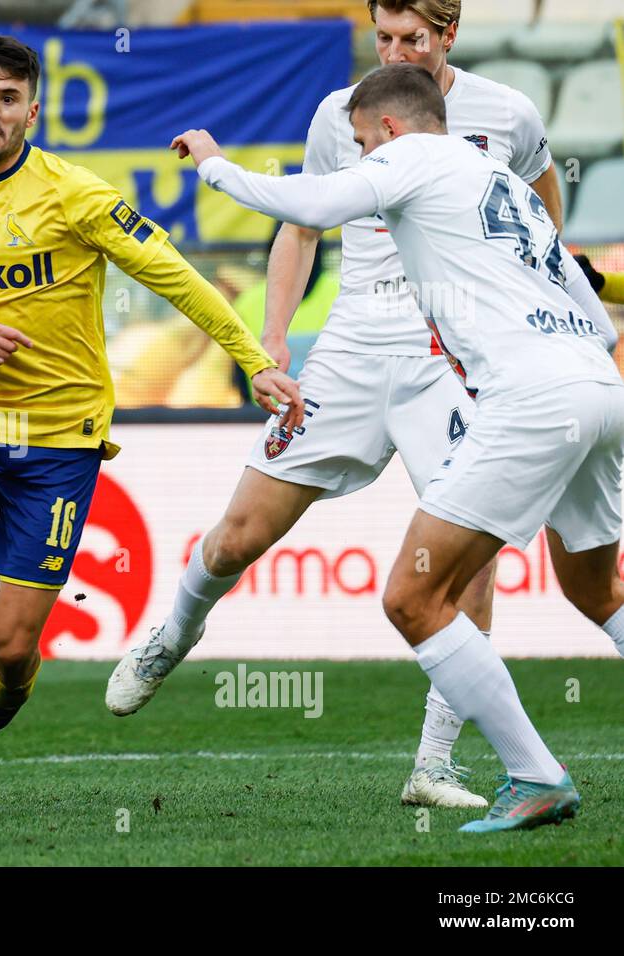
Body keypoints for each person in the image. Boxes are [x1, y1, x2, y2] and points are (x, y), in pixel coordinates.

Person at [107, 0, 564, 811]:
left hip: (446, 355)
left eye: (413, 40)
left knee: (472, 554)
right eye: (383, 38)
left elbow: (540, 207)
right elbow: (301, 226)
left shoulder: (506, 113)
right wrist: (274, 337)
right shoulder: (340, 114)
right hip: (352, 348)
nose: (395, 52)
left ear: (448, 35)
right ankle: (174, 633)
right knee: (243, 531)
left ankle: (434, 765)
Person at [171, 62, 621, 832]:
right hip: (598, 386)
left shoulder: (409, 154)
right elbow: (601, 318)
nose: (358, 154)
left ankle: (535, 776)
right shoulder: (499, 181)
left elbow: (309, 204)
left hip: (537, 398)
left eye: (359, 141)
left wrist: (214, 162)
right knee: (597, 592)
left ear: (387, 128)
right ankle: (527, 773)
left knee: (413, 597)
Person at [0, 32, 302, 820]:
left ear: (32, 110)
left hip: (56, 447)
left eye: (9, 99)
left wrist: (251, 357)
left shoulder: (74, 194)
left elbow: (171, 272)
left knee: (10, 647)